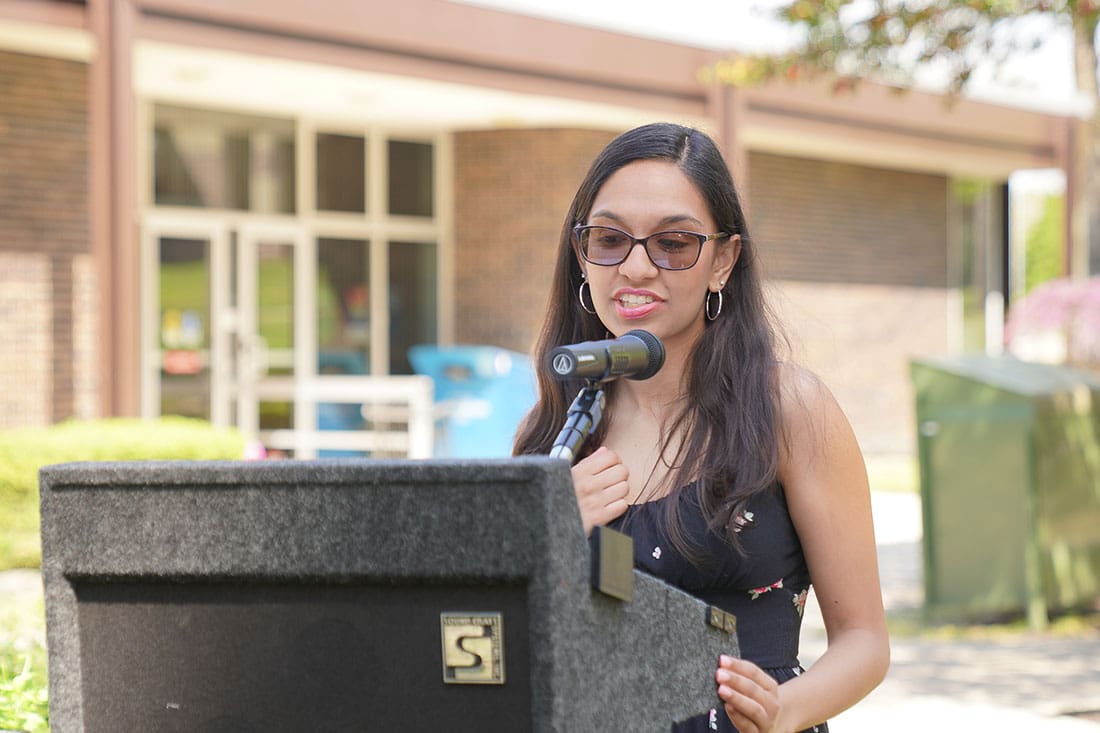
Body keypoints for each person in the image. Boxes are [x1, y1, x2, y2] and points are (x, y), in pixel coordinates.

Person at [513, 123, 889, 732]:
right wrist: (542, 534)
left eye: (674, 243)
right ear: (582, 256)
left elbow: (865, 643)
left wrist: (781, 711)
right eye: (609, 239)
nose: (636, 267)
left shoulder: (786, 407)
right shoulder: (555, 433)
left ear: (723, 260)